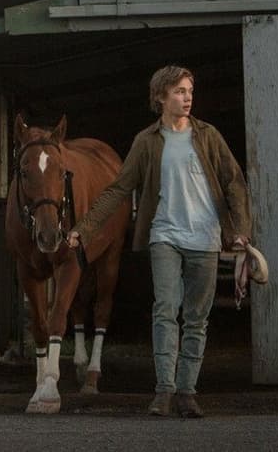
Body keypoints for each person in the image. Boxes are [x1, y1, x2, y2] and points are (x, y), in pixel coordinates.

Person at [66, 65, 251, 418]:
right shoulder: (147, 141)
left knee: (196, 318)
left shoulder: (209, 136)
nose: (188, 97)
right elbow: (120, 188)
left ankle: (187, 393)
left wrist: (240, 230)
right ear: (160, 97)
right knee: (166, 309)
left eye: (190, 91)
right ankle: (164, 391)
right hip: (165, 234)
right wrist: (84, 229)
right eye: (180, 91)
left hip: (206, 238)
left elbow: (234, 182)